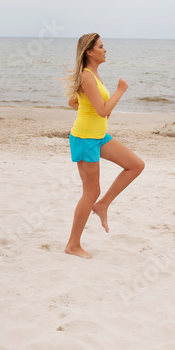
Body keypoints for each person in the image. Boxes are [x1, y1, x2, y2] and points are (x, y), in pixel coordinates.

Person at [62, 33, 145, 259]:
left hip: (98, 136)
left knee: (135, 165)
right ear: (90, 52)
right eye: (101, 46)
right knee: (90, 192)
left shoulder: (93, 75)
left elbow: (73, 101)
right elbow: (103, 110)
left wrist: (89, 109)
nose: (105, 49)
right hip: (86, 138)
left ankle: (103, 205)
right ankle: (72, 245)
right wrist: (120, 90)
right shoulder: (87, 76)